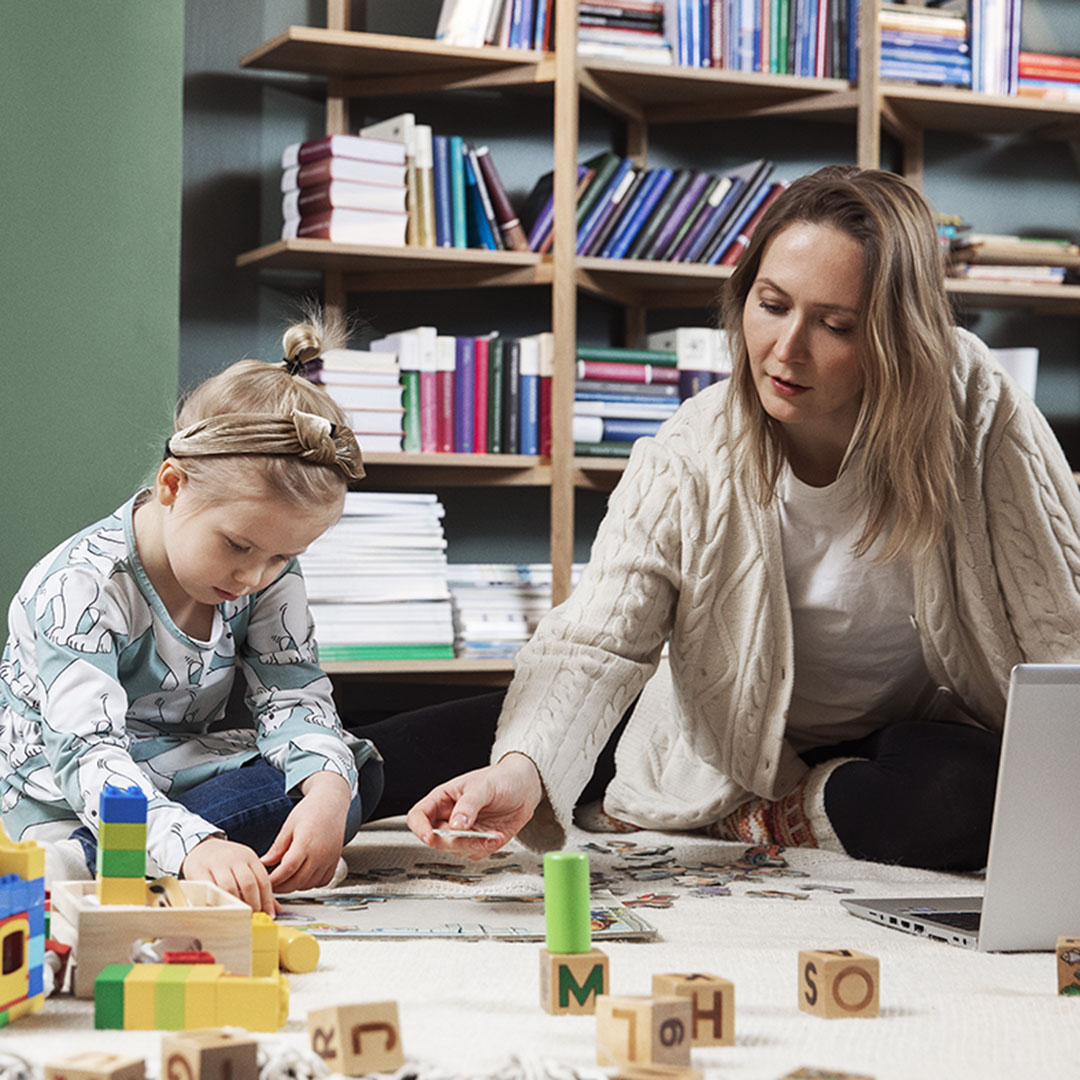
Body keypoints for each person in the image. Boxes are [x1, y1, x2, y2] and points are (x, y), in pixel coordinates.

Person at [405, 164, 1080, 874]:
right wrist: (521, 772)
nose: (786, 349)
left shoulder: (978, 411)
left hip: (905, 737)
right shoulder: (693, 445)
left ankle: (770, 818)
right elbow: (599, 638)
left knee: (973, 796)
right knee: (419, 745)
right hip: (723, 737)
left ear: (895, 336)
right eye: (772, 304)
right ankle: (739, 804)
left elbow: (1060, 617)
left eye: (836, 325)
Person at [0, 316, 382, 914]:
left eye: (284, 555)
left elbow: (294, 697)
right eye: (237, 546)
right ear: (173, 485)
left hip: (180, 772)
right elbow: (85, 754)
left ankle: (184, 866)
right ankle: (92, 865)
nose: (254, 577)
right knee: (233, 819)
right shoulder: (79, 586)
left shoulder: (267, 569)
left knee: (346, 779)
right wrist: (192, 844)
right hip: (70, 794)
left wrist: (327, 794)